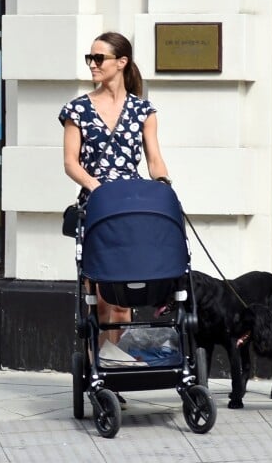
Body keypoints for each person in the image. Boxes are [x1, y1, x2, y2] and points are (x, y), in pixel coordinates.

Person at [58, 31, 171, 349]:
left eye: (99, 58)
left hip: (131, 209)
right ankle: (98, 370)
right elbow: (71, 163)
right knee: (100, 297)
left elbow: (155, 161)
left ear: (121, 62)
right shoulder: (76, 110)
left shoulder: (143, 111)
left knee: (123, 298)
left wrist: (165, 191)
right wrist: (99, 189)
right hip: (96, 208)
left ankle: (115, 365)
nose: (92, 64)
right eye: (89, 58)